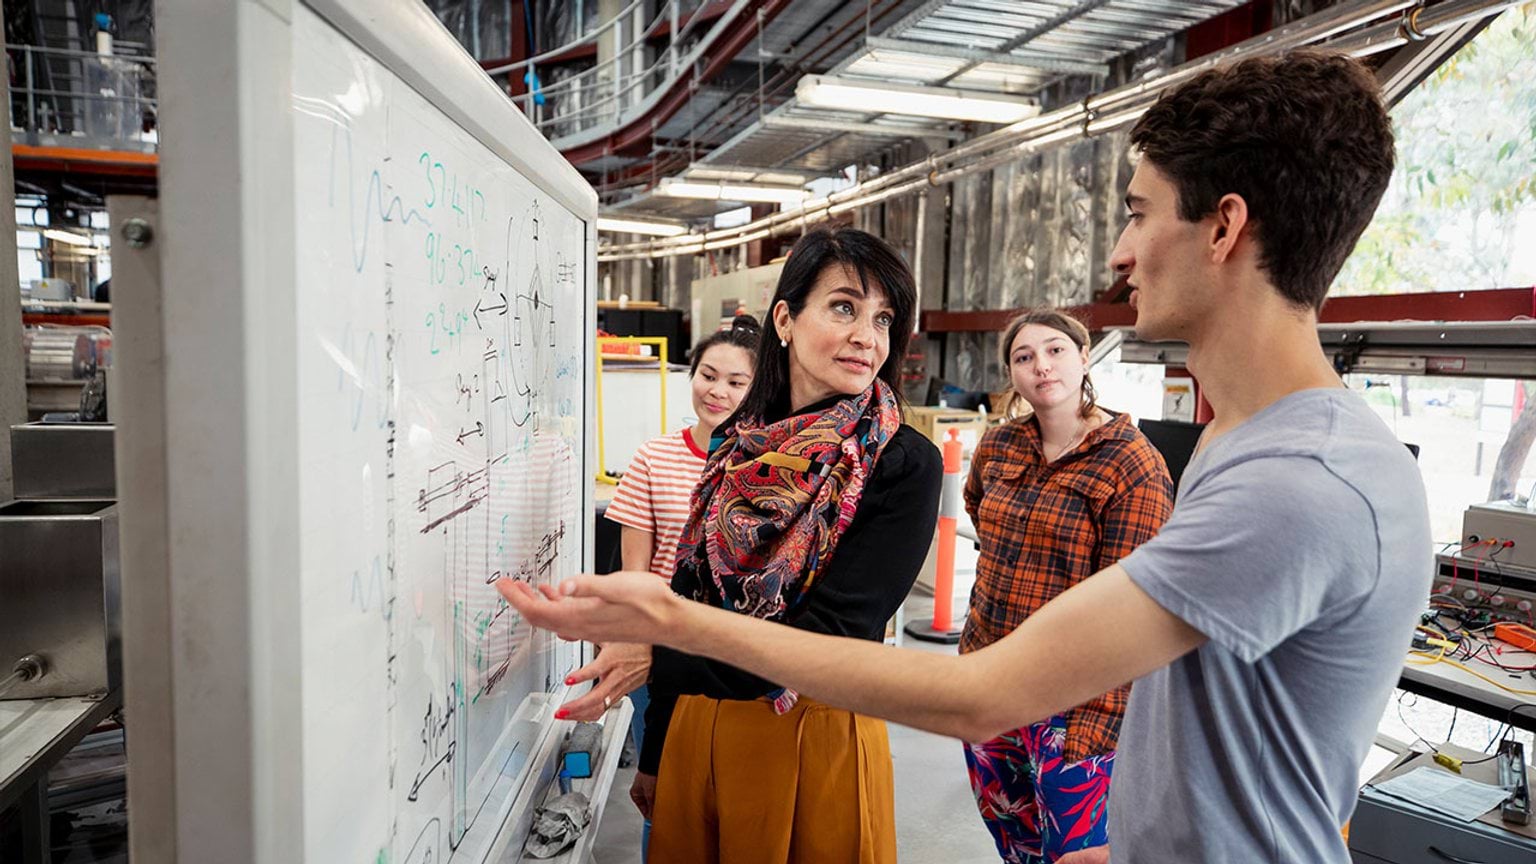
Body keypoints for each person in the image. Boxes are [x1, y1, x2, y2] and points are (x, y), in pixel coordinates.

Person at [501, 51, 1431, 864]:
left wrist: (672, 625)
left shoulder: (1298, 485)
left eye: (1140, 212)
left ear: (1223, 229)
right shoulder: (1245, 439)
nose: (1118, 250)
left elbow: (984, 692)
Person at [602, 225, 941, 863]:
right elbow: (690, 589)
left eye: (884, 318)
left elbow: (831, 634)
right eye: (845, 307)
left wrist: (661, 661)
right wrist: (655, 749)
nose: (867, 337)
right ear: (785, 319)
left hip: (814, 731)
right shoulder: (735, 442)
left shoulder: (902, 461)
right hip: (700, 726)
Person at [962, 309, 1172, 863]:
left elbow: (1133, 610)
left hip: (1072, 701)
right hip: (989, 677)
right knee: (1013, 838)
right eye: (1024, 357)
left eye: (1055, 350)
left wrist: (1095, 725)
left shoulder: (1132, 464)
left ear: (1084, 358)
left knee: (1073, 855)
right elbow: (980, 515)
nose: (1041, 366)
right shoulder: (999, 447)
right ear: (1013, 374)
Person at [578, 314, 760, 857]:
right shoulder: (655, 457)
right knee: (664, 793)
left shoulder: (768, 463)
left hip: (735, 653)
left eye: (736, 381)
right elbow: (634, 573)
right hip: (659, 650)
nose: (718, 391)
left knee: (736, 794)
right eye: (708, 375)